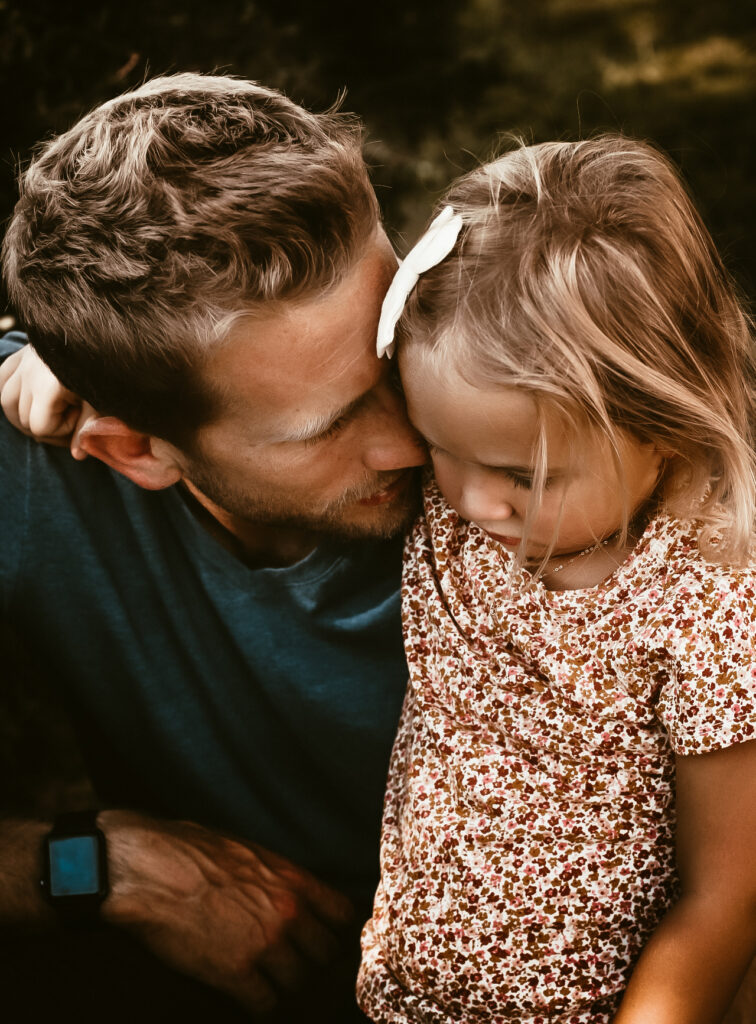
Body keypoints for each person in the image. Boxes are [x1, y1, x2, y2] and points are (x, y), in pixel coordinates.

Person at [0, 72, 426, 1021]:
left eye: (398, 349)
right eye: (326, 428)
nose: (411, 440)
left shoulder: (527, 403)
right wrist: (94, 866)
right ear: (134, 450)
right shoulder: (39, 461)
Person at [355, 136, 756, 1022]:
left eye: (522, 476)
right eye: (438, 448)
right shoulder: (463, 504)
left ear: (666, 424)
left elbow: (727, 897)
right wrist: (41, 362)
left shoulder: (708, 605)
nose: (466, 498)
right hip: (409, 997)